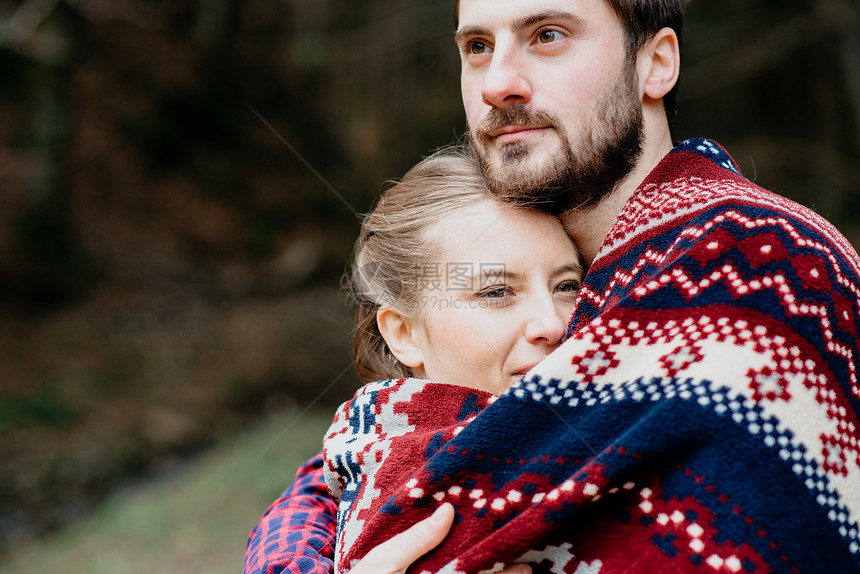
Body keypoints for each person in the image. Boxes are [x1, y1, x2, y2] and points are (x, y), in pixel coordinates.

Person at [245, 1, 860, 572]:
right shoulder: (587, 262)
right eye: (478, 47)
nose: (495, 84)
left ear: (656, 61)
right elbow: (343, 475)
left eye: (548, 36)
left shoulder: (753, 259)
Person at [322, 146, 583, 573]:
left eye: (567, 285)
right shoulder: (402, 501)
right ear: (405, 335)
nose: (552, 324)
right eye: (496, 291)